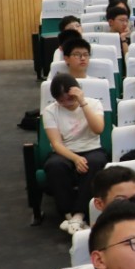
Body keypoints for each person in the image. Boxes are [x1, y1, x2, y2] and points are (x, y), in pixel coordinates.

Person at [42, 74, 108, 235]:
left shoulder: (94, 104)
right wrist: (76, 158)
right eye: (61, 100)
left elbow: (98, 129)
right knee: (54, 165)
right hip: (65, 151)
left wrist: (82, 103)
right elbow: (56, 143)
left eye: (70, 99)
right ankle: (69, 215)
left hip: (91, 148)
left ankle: (79, 215)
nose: (67, 103)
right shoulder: (50, 111)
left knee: (94, 163)